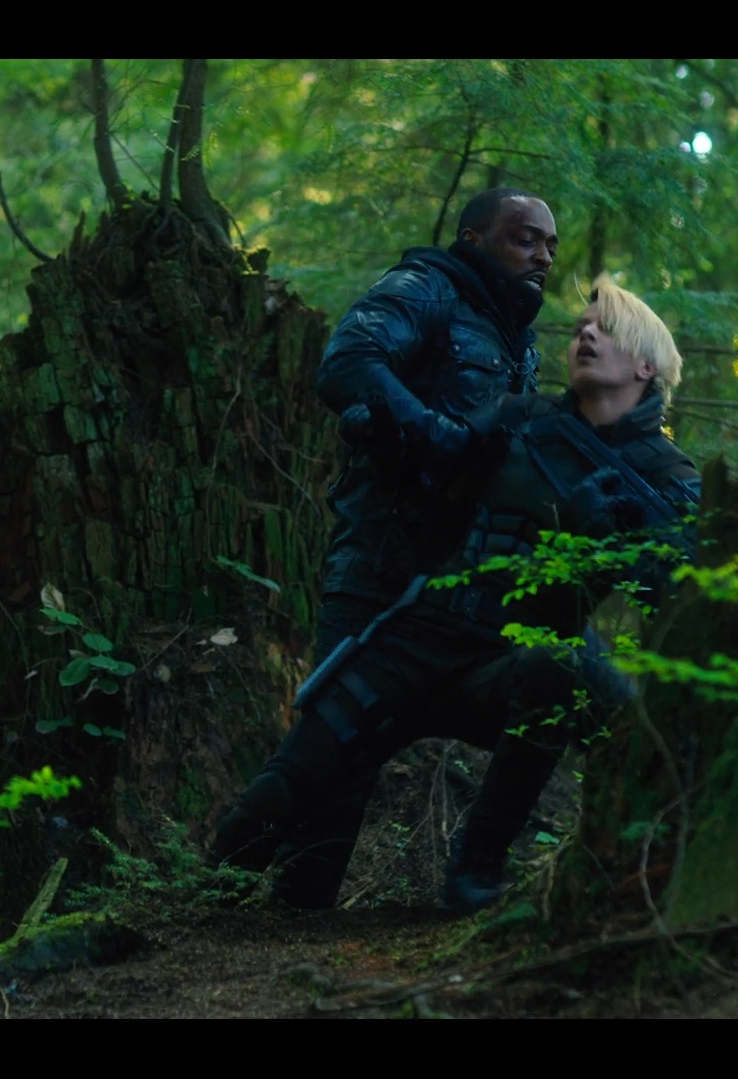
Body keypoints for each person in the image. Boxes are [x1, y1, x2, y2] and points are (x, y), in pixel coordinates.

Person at [209, 268, 700, 913]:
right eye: (581, 326)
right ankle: (203, 902)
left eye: (605, 329)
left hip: (507, 667)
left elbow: (683, 603)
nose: (584, 335)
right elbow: (440, 452)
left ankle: (479, 869)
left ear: (645, 364)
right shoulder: (521, 417)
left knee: (565, 671)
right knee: (280, 792)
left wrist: (611, 540)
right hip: (419, 638)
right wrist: (385, 425)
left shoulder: (668, 479)